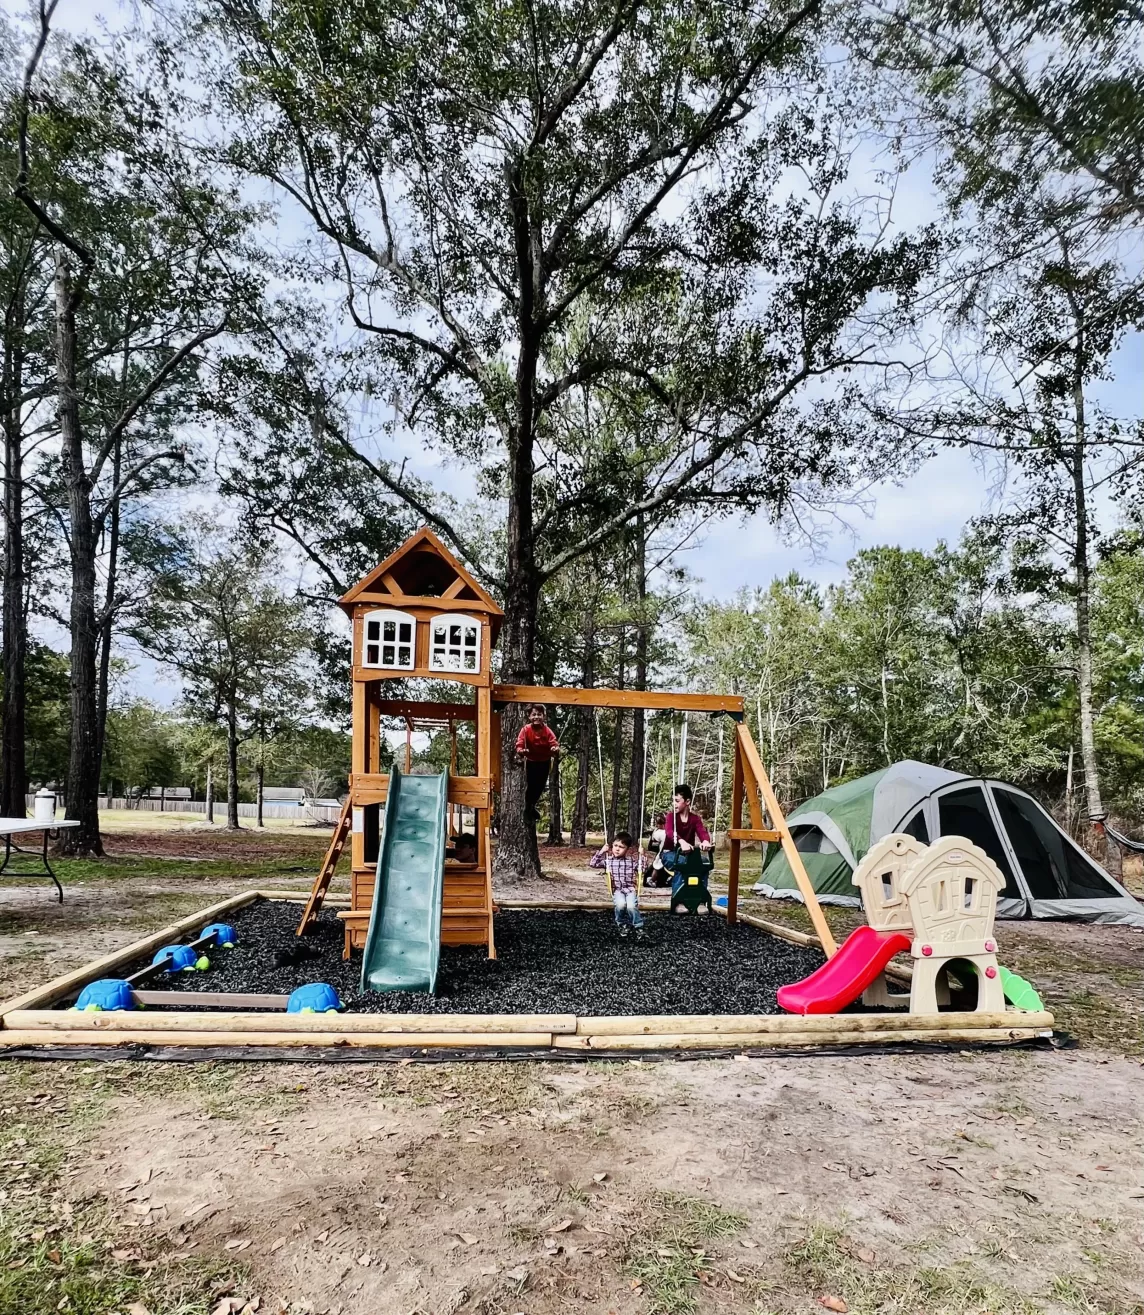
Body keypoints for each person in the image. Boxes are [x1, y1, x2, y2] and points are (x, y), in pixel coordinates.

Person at [648, 784, 711, 892]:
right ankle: (678, 901)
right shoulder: (670, 817)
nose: (674, 804)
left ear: (687, 802)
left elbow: (702, 831)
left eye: (677, 801)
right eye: (673, 801)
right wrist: (681, 842)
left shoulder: (695, 819)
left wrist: (705, 841)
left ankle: (700, 897)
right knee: (683, 865)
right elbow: (669, 832)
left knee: (704, 863)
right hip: (669, 853)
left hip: (686, 854)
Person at [589, 831, 647, 938]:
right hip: (617, 890)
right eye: (615, 845)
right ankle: (622, 924)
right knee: (620, 905)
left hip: (630, 889)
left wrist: (642, 855)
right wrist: (602, 851)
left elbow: (642, 869)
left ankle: (638, 926)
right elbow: (593, 863)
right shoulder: (608, 861)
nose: (617, 849)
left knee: (631, 906)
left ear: (627, 849)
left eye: (621, 847)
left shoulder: (631, 861)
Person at [514, 703, 560, 821]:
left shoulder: (547, 730)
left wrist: (555, 749)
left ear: (543, 716)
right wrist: (521, 751)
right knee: (531, 785)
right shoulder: (525, 730)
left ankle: (532, 806)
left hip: (544, 762)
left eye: (539, 714)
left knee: (540, 786)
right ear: (529, 717)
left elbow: (554, 743)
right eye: (534, 714)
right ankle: (528, 809)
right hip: (531, 761)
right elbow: (519, 743)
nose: (536, 717)